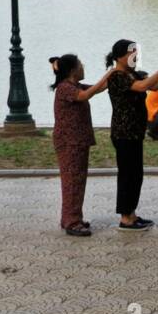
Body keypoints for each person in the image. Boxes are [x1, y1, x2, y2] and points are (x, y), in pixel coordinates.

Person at [105, 39, 158, 231]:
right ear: (119, 56)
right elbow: (143, 87)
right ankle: (125, 218)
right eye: (130, 53)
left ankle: (131, 214)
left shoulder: (132, 74)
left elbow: (155, 85)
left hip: (134, 133)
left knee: (136, 174)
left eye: (136, 52)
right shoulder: (117, 76)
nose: (135, 56)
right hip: (123, 133)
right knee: (128, 174)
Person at [50, 54, 114, 237]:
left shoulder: (74, 86)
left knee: (77, 180)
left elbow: (98, 88)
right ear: (72, 70)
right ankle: (71, 221)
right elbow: (86, 95)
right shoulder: (65, 88)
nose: (83, 66)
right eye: (80, 64)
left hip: (78, 141)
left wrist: (115, 75)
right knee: (72, 181)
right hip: (69, 142)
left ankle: (71, 217)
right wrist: (110, 73)